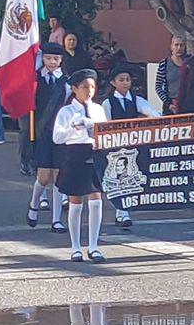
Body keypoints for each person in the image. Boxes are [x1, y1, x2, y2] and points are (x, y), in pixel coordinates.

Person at [53, 68, 108, 263]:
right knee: (76, 202)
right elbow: (57, 137)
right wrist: (74, 126)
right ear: (75, 89)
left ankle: (93, 245)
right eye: (85, 87)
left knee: (96, 199)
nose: (89, 90)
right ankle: (75, 246)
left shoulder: (98, 109)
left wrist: (94, 129)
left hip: (94, 153)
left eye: (92, 86)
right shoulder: (66, 111)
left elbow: (106, 132)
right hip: (74, 154)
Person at [102, 64, 161, 229]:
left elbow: (151, 112)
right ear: (113, 82)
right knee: (119, 179)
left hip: (133, 145)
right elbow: (105, 124)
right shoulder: (108, 103)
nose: (125, 83)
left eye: (127, 79)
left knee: (129, 178)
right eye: (121, 80)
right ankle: (121, 212)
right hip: (115, 147)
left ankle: (123, 211)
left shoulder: (136, 99)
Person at [27, 42, 71, 232]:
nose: (52, 62)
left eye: (56, 59)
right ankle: (34, 204)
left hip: (60, 134)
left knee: (58, 177)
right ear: (42, 58)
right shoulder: (35, 79)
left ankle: (56, 219)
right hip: (41, 132)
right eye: (48, 58)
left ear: (61, 60)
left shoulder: (68, 82)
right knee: (43, 177)